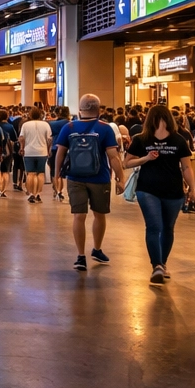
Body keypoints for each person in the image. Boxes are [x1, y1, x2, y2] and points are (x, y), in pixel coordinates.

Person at [123, 105, 194, 284]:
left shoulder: (178, 139)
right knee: (154, 226)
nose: (160, 122)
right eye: (157, 119)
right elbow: (127, 163)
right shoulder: (141, 139)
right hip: (147, 189)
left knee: (168, 228)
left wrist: (193, 189)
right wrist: (146, 158)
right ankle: (156, 266)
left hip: (174, 190)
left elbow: (186, 167)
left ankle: (162, 263)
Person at [54, 94, 125, 272]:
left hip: (75, 178)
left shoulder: (69, 127)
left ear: (80, 110)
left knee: (79, 216)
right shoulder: (105, 128)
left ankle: (80, 256)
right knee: (99, 215)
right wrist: (120, 178)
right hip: (100, 178)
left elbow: (60, 153)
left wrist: (56, 175)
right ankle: (97, 249)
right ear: (99, 110)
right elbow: (113, 157)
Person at [18, 109, 53, 203]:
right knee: (40, 173)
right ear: (41, 115)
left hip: (28, 152)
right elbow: (49, 139)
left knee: (30, 173)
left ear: (30, 115)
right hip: (42, 152)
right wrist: (48, 149)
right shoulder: (46, 125)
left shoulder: (25, 125)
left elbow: (21, 138)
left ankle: (31, 194)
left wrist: (21, 148)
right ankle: (38, 193)